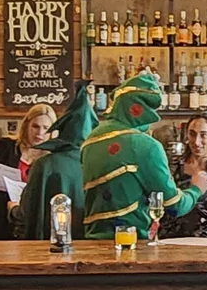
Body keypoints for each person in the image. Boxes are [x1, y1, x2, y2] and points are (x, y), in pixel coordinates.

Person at [82, 70, 198, 240]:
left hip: (91, 242)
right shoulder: (145, 146)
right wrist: (196, 189)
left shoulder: (90, 140)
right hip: (130, 243)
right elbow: (174, 206)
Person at [12, 83, 94, 239]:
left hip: (48, 247)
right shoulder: (99, 163)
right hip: (90, 245)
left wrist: (12, 210)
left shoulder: (44, 165)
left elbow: (26, 213)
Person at [0, 102, 55, 238]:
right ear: (26, 125)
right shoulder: (4, 147)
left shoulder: (53, 158)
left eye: (46, 128)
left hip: (28, 226)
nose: (40, 133)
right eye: (35, 126)